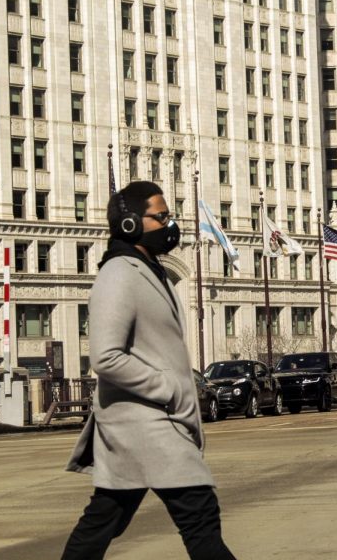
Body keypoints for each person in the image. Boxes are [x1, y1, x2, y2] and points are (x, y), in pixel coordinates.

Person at [62, 182, 236, 560]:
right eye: (161, 216)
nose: (169, 224)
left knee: (103, 521)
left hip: (145, 428)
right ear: (129, 224)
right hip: (147, 424)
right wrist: (168, 387)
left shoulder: (148, 270)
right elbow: (106, 357)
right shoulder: (119, 274)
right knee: (200, 520)